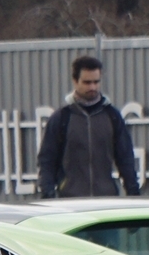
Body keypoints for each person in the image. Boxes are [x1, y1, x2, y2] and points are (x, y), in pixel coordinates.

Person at [34, 54, 141, 199]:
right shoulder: (62, 118)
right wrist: (48, 194)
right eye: (87, 82)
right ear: (75, 81)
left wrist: (133, 194)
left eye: (96, 82)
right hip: (70, 201)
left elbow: (125, 159)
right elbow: (47, 160)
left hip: (106, 199)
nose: (93, 87)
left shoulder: (112, 116)